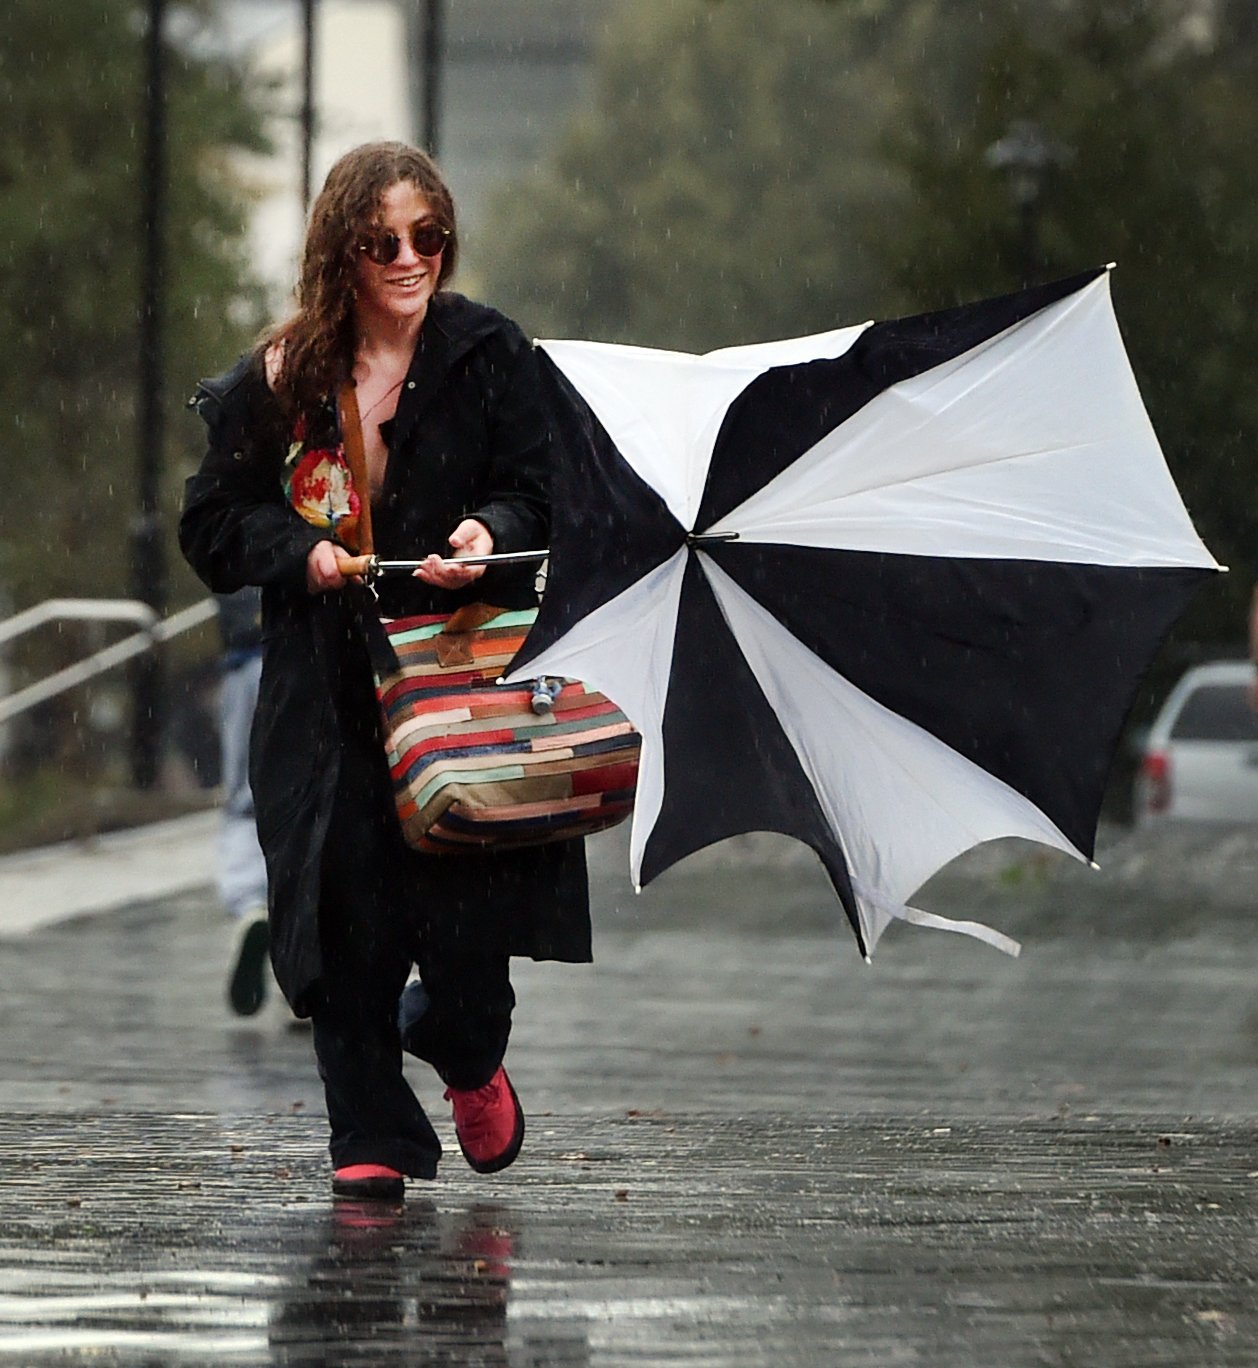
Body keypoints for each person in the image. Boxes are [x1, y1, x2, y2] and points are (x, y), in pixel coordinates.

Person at [179, 141, 591, 1202]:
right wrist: (299, 554)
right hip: (325, 697)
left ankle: (460, 1049)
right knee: (341, 920)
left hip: (456, 691)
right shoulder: (280, 379)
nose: (410, 259)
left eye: (428, 236)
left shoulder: (491, 354)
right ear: (340, 251)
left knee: (466, 941)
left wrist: (483, 533)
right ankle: (370, 1134)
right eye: (382, 241)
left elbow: (543, 496)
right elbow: (214, 522)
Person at [213, 585, 271, 1016]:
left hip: (247, 658)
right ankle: (311, 972)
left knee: (245, 798)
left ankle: (251, 904)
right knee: (315, 797)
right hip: (317, 654)